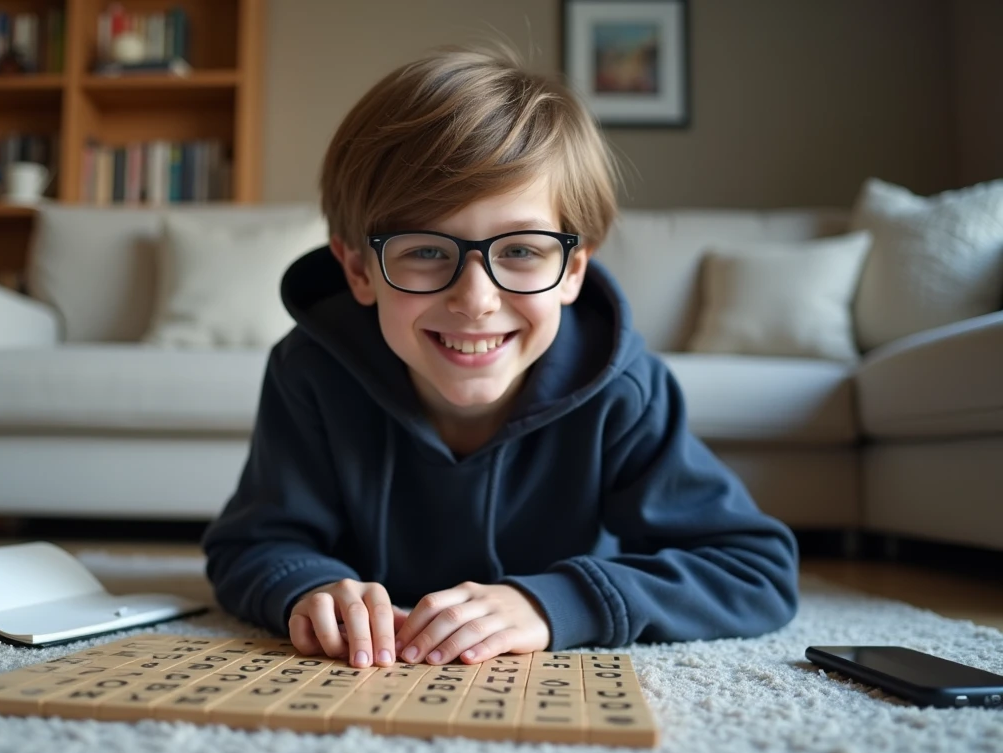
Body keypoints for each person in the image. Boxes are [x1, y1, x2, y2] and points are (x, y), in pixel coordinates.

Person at [202, 42, 798, 670]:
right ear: (359, 270)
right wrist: (309, 587)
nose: (476, 300)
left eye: (520, 250)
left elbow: (753, 570)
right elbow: (253, 544)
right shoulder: (310, 371)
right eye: (427, 250)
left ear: (573, 269)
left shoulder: (627, 391)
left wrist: (555, 603)